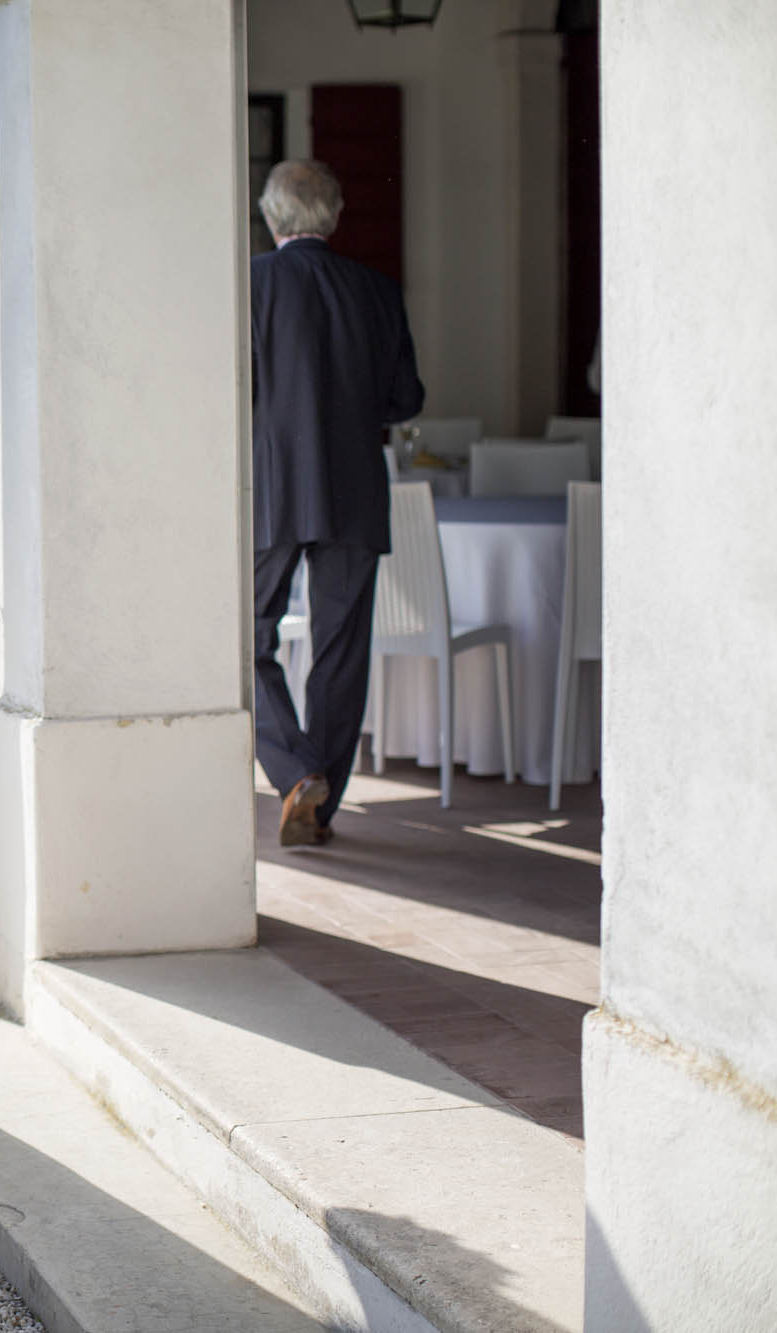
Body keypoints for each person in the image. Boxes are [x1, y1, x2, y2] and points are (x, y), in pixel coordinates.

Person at [250, 160, 424, 848]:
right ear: (337, 213)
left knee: (242, 639)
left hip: (272, 488)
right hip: (355, 489)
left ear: (271, 216)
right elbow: (405, 400)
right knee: (342, 650)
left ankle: (297, 772)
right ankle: (318, 807)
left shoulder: (251, 284)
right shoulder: (377, 290)